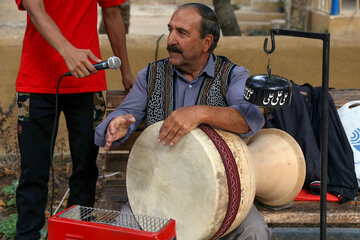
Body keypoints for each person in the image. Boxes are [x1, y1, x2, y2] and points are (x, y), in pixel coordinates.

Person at [95, 3, 270, 240]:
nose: (170, 40)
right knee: (123, 230)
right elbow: (118, 119)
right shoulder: (152, 75)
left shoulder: (233, 75)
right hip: (157, 192)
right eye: (170, 30)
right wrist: (115, 124)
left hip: (221, 193)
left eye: (182, 33)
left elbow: (249, 119)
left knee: (254, 231)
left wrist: (200, 113)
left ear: (207, 42)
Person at [14, 0, 135, 239]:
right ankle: (27, 235)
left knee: (86, 171)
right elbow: (35, 7)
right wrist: (67, 50)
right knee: (33, 173)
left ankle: (75, 234)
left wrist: (126, 72)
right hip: (36, 85)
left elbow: (112, 12)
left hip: (88, 82)